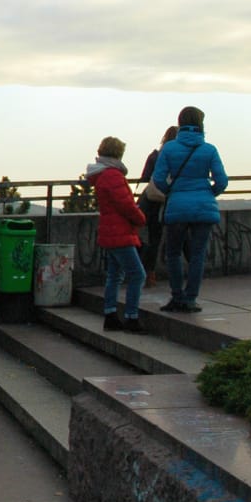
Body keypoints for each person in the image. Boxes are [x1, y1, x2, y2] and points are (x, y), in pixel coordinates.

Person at [151, 106, 228, 313]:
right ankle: (191, 298)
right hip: (204, 206)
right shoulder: (209, 149)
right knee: (197, 254)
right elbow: (221, 181)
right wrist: (209, 193)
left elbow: (158, 179)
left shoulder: (169, 149)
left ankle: (177, 296)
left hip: (177, 206)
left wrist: (172, 191)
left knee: (174, 252)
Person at [87, 136, 148, 333]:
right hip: (120, 233)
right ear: (118, 153)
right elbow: (126, 204)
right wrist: (140, 218)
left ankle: (111, 314)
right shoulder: (113, 175)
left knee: (114, 275)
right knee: (137, 274)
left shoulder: (101, 175)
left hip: (109, 231)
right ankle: (131, 317)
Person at [136, 126, 178, 285]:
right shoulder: (177, 157)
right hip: (167, 202)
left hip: (149, 201)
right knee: (157, 238)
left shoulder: (154, 156)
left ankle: (143, 271)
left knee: (142, 237)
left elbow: (145, 178)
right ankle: (151, 273)